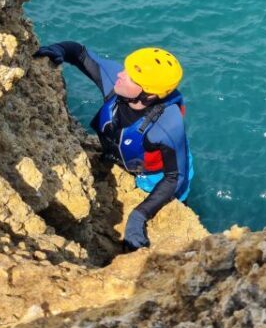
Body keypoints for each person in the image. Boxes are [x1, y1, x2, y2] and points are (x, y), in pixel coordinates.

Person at [34, 41, 192, 251]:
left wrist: (139, 216)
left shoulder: (167, 125)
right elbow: (80, 53)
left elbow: (175, 177)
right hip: (124, 158)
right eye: (126, 69)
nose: (120, 74)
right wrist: (58, 50)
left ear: (149, 94)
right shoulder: (118, 87)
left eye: (131, 77)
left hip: (156, 174)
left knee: (174, 206)